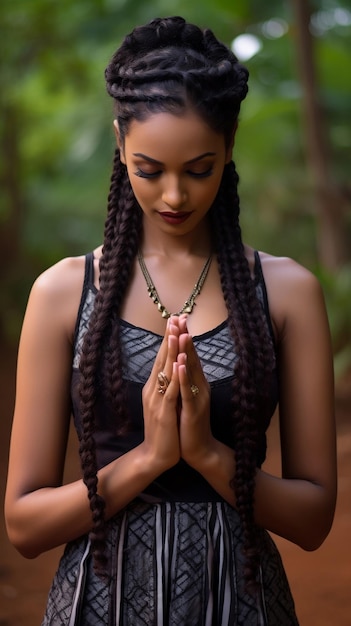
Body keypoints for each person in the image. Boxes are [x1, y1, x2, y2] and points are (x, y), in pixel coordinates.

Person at [5, 15, 337, 626]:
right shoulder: (62, 292)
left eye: (200, 169)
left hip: (241, 602)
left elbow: (314, 520)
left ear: (230, 144)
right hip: (97, 607)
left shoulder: (287, 293)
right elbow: (24, 523)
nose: (175, 196)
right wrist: (148, 460)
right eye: (150, 170)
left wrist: (210, 456)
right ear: (119, 143)